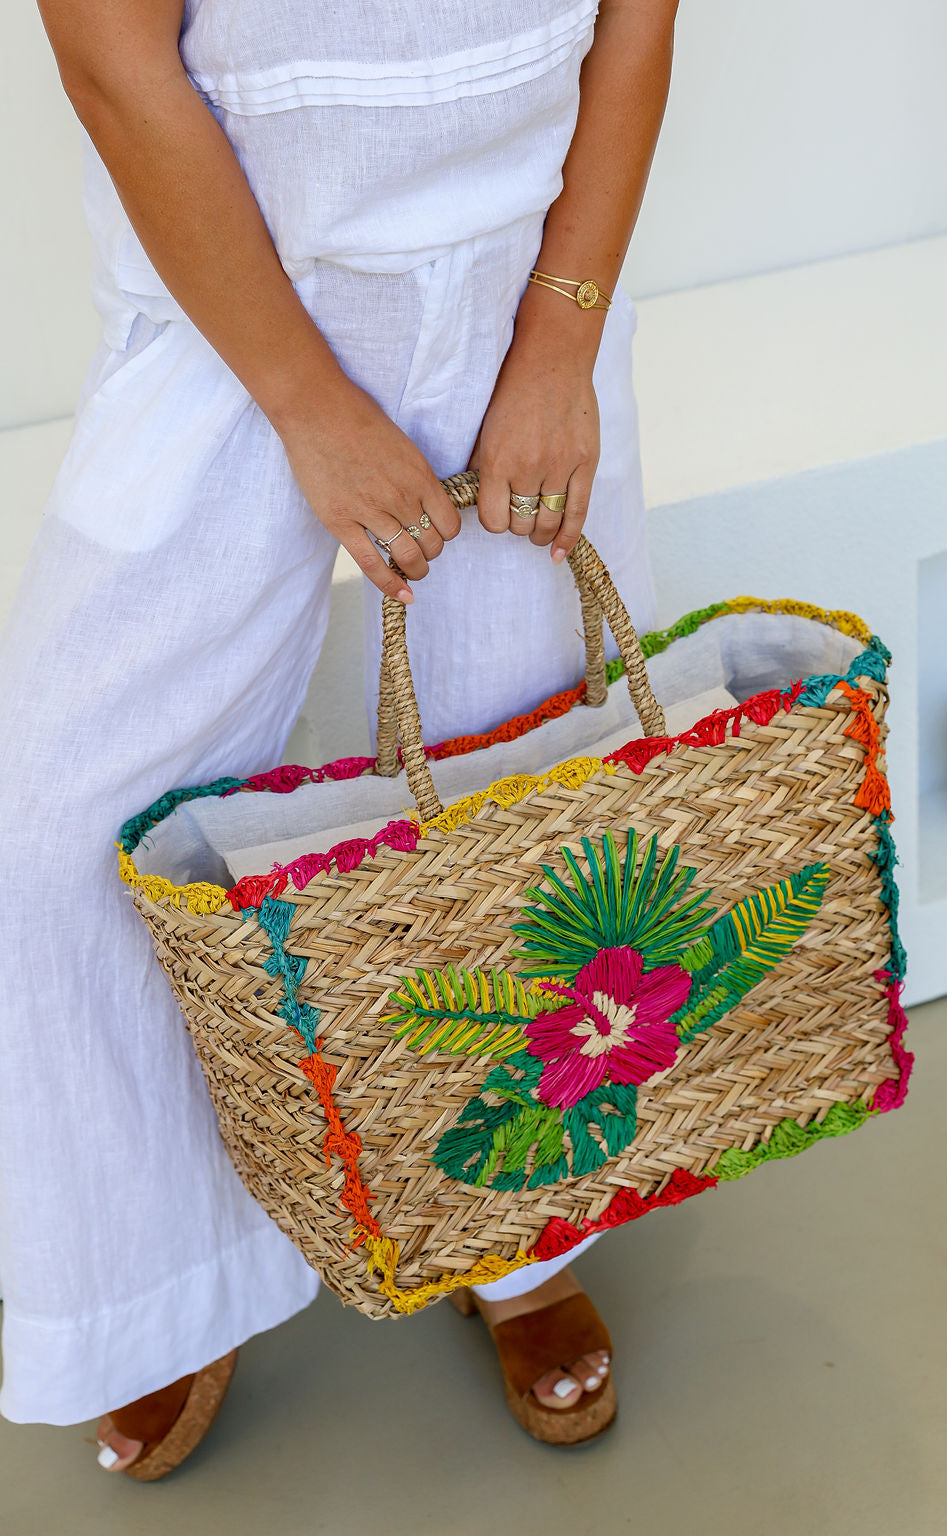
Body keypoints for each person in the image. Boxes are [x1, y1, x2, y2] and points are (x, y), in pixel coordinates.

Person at [0, 0, 678, 1474]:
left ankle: (517, 1241)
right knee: (59, 835)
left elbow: (642, 12)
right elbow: (114, 61)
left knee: (519, 801)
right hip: (232, 308)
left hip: (524, 296)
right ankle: (165, 1274)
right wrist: (310, 404)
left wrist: (559, 342)